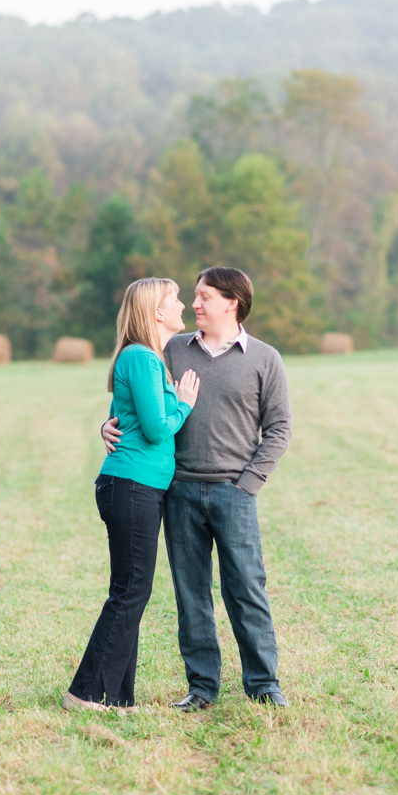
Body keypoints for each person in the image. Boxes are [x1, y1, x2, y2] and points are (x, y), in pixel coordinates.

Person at [103, 266, 291, 711]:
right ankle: (202, 687)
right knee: (191, 595)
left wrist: (248, 485)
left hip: (234, 492)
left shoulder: (266, 358)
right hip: (179, 492)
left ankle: (264, 684)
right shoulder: (170, 350)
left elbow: (279, 429)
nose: (195, 304)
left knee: (246, 589)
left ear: (232, 302)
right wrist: (107, 425)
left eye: (205, 296)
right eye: (192, 296)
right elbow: (133, 401)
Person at [64, 278, 200, 712]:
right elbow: (159, 427)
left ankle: (119, 698)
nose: (183, 306)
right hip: (132, 486)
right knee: (131, 592)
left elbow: (119, 419)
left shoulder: (145, 358)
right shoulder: (142, 357)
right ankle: (82, 693)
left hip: (137, 486)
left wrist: (106, 427)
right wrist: (184, 404)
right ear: (157, 313)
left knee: (130, 589)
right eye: (175, 300)